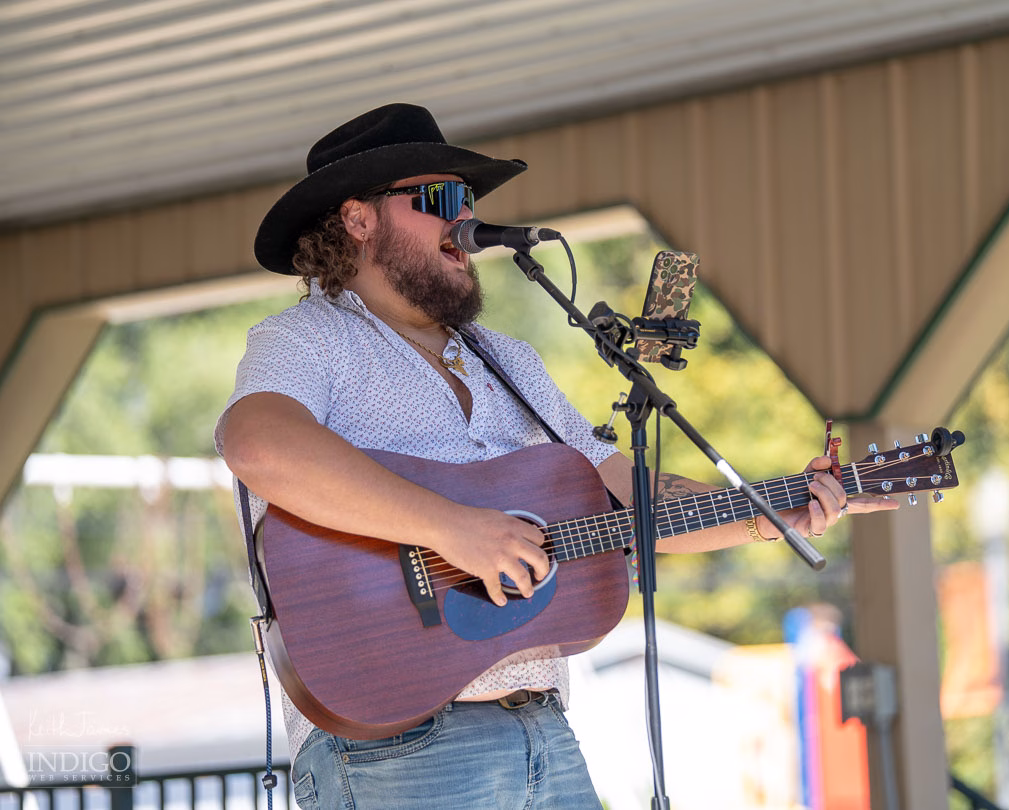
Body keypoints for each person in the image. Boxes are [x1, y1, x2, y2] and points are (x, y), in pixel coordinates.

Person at [215, 103, 898, 810]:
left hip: (543, 731)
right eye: (443, 200)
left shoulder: (509, 361)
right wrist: (452, 530)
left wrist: (776, 512)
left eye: (471, 203)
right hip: (394, 744)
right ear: (359, 220)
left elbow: (627, 492)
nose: (465, 223)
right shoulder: (307, 340)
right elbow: (258, 442)